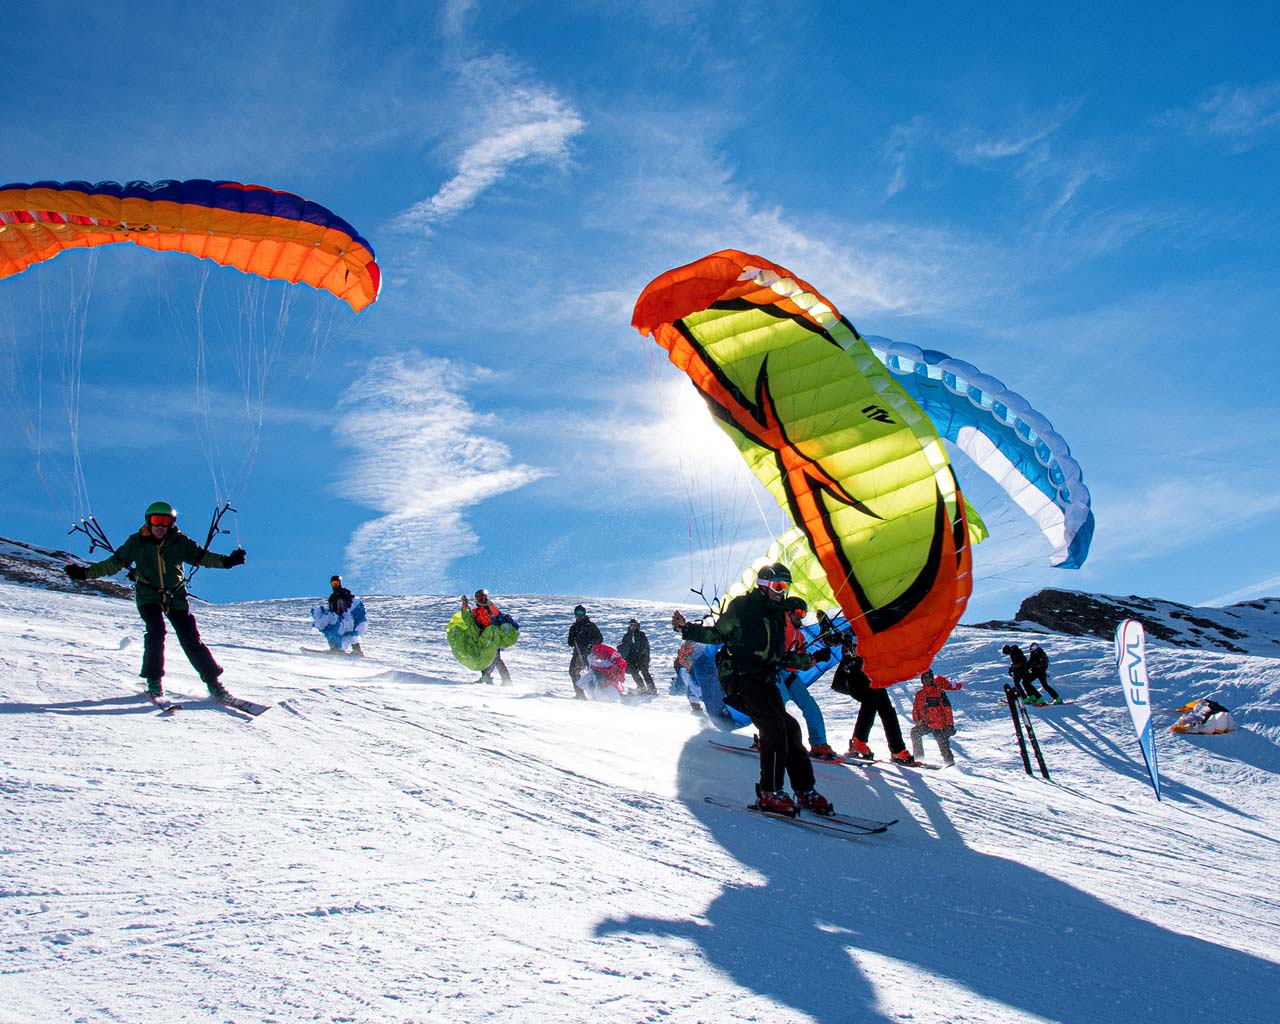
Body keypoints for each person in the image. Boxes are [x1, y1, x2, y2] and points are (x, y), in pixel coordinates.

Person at [672, 562, 833, 817]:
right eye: (778, 586)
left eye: (785, 587)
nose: (782, 592)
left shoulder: (778, 614)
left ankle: (805, 790)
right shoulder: (742, 607)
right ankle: (770, 792)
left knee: (790, 728)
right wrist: (686, 629)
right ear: (763, 584)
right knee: (773, 727)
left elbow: (778, 656)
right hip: (740, 676)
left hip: (765, 678)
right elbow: (717, 635)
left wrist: (806, 661)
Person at [62, 501, 246, 703]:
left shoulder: (180, 541)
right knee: (156, 632)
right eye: (155, 520)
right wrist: (85, 574)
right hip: (148, 596)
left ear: (171, 523)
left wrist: (227, 561)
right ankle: (154, 682)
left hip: (175, 596)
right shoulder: (136, 542)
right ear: (148, 522)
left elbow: (202, 557)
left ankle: (214, 684)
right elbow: (113, 564)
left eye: (164, 521)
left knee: (190, 638)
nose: (160, 526)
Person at [833, 632, 920, 765]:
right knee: (870, 702)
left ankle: (897, 749)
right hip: (854, 678)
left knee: (887, 710)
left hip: (872, 678)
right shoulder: (851, 629)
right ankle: (858, 742)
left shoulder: (875, 630)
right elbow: (834, 642)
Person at [778, 596, 839, 760]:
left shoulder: (798, 634)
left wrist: (817, 657)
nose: (801, 616)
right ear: (788, 611)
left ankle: (819, 743)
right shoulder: (779, 626)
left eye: (804, 613)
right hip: (775, 673)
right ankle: (769, 739)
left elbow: (802, 659)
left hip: (791, 676)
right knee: (776, 708)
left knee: (811, 707)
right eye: (798, 612)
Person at [910, 669, 964, 766]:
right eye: (924, 678)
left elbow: (947, 709)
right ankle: (919, 758)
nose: (927, 680)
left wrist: (950, 725)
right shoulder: (919, 694)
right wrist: (917, 721)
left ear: (932, 679)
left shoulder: (939, 692)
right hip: (925, 724)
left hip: (939, 725)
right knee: (915, 732)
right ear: (922, 680)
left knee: (943, 744)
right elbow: (915, 709)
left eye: (929, 678)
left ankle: (949, 763)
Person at [463, 589, 511, 684]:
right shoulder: (476, 611)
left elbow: (497, 614)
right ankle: (487, 677)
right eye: (480, 598)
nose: (482, 600)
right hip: (482, 637)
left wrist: (490, 605)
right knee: (484, 657)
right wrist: (465, 604)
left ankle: (506, 680)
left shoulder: (490, 608)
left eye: (484, 597)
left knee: (495, 658)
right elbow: (468, 618)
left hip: (493, 637)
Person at [313, 574, 365, 655]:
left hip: (346, 616)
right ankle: (335, 648)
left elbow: (351, 602)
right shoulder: (332, 596)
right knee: (332, 631)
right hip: (337, 617)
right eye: (334, 584)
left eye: (337, 583)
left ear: (340, 583)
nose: (335, 586)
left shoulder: (344, 592)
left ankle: (357, 650)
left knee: (349, 632)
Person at [567, 604, 603, 699]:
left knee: (591, 674)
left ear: (584, 613)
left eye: (581, 612)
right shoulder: (573, 627)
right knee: (573, 672)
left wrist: (590, 645)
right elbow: (570, 643)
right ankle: (580, 693)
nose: (579, 615)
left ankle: (597, 694)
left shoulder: (590, 625)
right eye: (577, 613)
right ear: (575, 614)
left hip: (589, 654)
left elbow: (599, 638)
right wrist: (572, 639)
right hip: (577, 653)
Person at [616, 618, 657, 695]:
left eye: (635, 625)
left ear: (638, 626)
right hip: (631, 659)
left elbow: (646, 647)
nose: (633, 627)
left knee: (645, 671)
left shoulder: (641, 635)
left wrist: (644, 657)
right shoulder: (626, 636)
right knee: (634, 672)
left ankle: (652, 688)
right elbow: (624, 647)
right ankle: (641, 687)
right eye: (631, 625)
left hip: (642, 657)